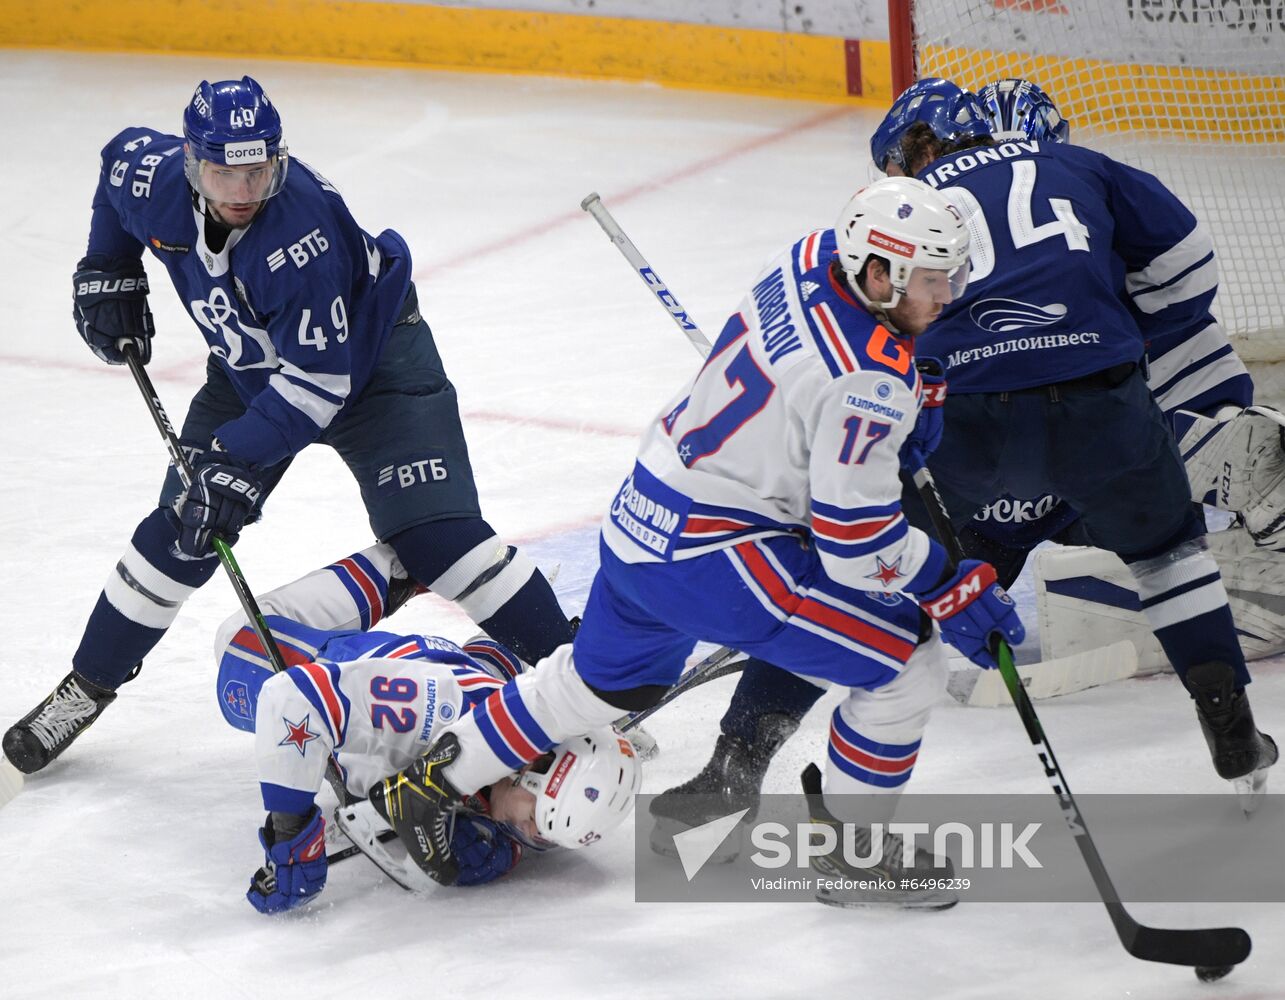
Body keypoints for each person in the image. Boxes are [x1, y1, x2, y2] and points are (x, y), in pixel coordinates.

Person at [351, 177, 1024, 910]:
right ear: (877, 272)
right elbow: (855, 544)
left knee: (586, 686)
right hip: (720, 558)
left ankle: (423, 788)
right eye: (931, 280)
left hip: (643, 518)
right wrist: (947, 582)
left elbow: (797, 392)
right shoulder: (870, 382)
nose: (946, 296)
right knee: (902, 665)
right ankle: (855, 856)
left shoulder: (806, 258)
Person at [660, 77, 1277, 827]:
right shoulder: (1082, 171)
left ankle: (736, 766)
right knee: (1168, 552)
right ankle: (1229, 721)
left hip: (967, 435)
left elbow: (867, 341)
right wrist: (1101, 330)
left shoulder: (910, 218)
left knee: (862, 592)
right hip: (1103, 418)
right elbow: (1187, 275)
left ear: (919, 146)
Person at [4, 77, 576, 775]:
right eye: (224, 170)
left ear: (279, 159)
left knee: (439, 538)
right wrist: (109, 268)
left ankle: (584, 681)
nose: (243, 189)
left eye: (258, 169)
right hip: (247, 372)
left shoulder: (297, 231)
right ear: (191, 161)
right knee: (181, 527)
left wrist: (233, 458)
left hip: (374, 372)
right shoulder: (153, 177)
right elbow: (116, 162)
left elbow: (317, 381)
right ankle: (86, 686)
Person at [210, 542, 640, 912]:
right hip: (306, 661)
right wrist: (292, 838)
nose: (528, 839)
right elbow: (290, 699)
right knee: (234, 638)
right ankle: (417, 552)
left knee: (496, 681)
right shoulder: (433, 711)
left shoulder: (519, 740)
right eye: (536, 822)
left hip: (451, 669)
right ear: (533, 764)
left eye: (543, 836)